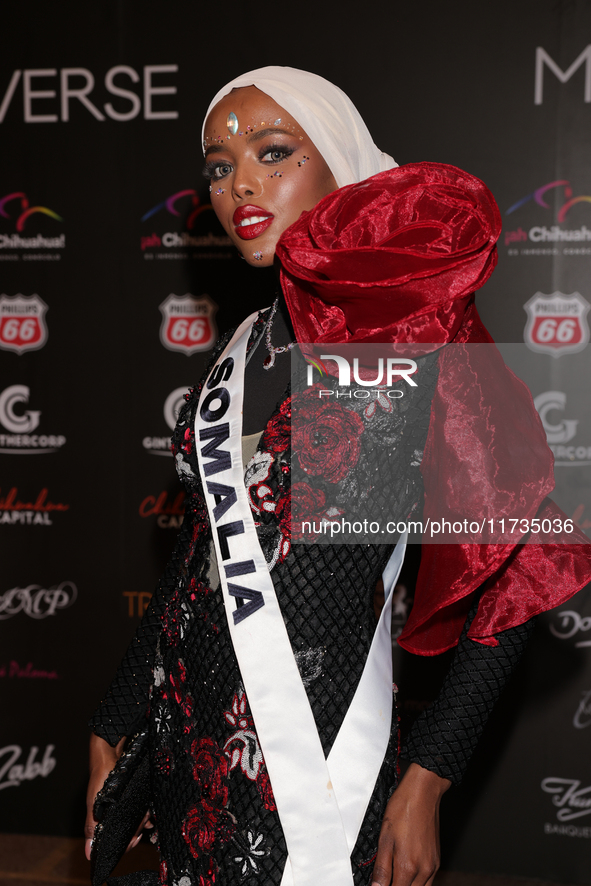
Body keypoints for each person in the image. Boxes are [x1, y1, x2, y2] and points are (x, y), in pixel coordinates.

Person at [86, 67, 591, 886]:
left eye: (273, 152)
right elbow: (202, 560)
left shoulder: (401, 335)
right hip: (189, 758)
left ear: (342, 163)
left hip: (319, 772)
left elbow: (516, 570)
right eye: (218, 166)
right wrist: (113, 718)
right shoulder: (243, 345)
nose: (240, 181)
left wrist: (428, 775)